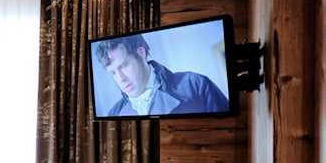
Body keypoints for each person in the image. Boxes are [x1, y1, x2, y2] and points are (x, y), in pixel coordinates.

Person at [94, 33, 228, 117]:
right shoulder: (113, 113)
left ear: (141, 53)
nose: (120, 79)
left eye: (124, 66)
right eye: (113, 72)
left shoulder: (195, 84)